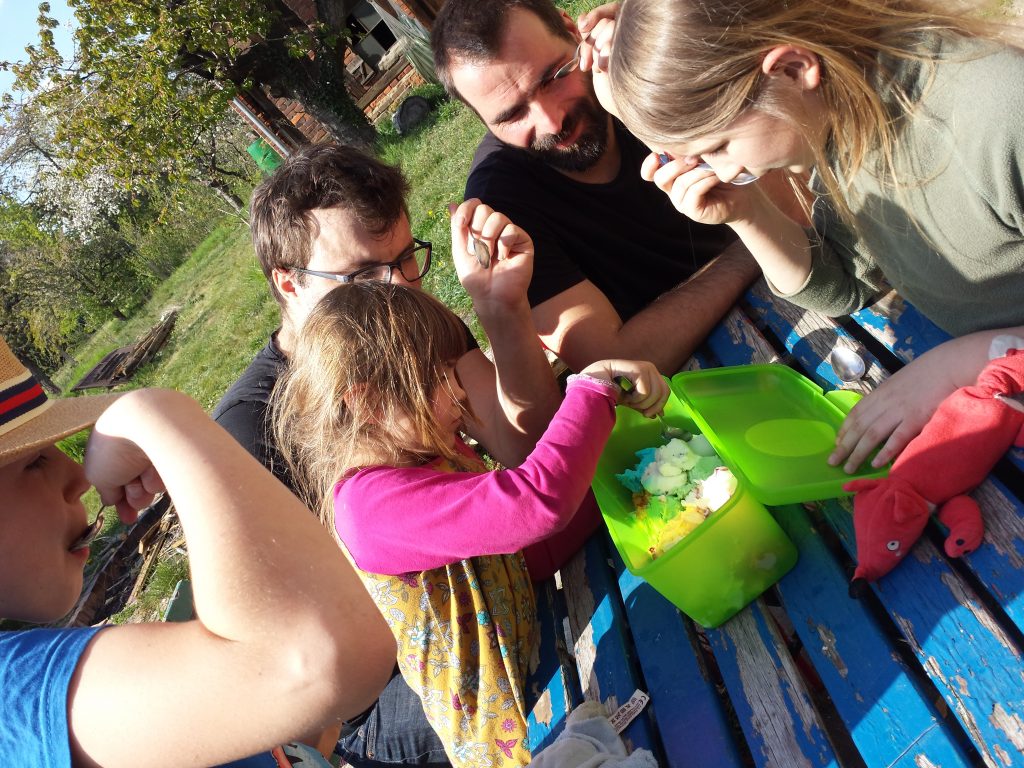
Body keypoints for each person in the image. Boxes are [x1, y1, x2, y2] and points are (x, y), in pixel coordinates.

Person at [212, 144, 592, 767]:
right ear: (288, 282)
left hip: (482, 588)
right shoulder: (251, 431)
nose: (397, 288)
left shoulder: (411, 327)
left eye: (405, 259)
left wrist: (501, 310)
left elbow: (526, 447)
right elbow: (299, 660)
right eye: (363, 274)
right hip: (387, 687)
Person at [600, 0, 1024, 472]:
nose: (724, 171)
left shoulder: (1000, 114)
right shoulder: (840, 117)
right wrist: (746, 212)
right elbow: (846, 284)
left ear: (793, 69)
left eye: (718, 147)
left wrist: (956, 365)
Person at [270, 279, 668, 768]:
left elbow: (515, 549)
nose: (459, 390)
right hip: (514, 735)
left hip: (538, 655)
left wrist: (621, 493)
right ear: (367, 402)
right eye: (438, 379)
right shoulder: (368, 508)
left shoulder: (422, 450)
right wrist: (593, 389)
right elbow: (536, 501)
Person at [0, 336, 395, 767]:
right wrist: (154, 417)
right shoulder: (14, 694)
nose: (78, 477)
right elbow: (319, 660)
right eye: (34, 462)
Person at [430, 0, 812, 375]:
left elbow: (802, 185)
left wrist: (657, 41)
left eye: (554, 76)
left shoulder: (647, 69)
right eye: (512, 115)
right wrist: (758, 240)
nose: (551, 121)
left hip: (807, 283)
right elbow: (615, 362)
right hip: (705, 375)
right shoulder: (499, 205)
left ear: (573, 31)